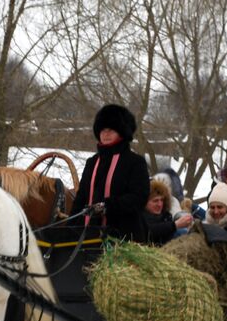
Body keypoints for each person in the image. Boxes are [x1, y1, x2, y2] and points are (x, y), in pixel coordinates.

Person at [71, 104, 151, 242]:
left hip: (123, 240)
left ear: (122, 132)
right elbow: (81, 198)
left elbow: (139, 197)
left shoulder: (135, 162)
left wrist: (107, 206)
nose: (106, 134)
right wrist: (70, 228)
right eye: (102, 130)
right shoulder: (92, 162)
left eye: (111, 130)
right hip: (88, 238)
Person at [144, 180, 194, 246]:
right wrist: (175, 225)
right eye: (155, 201)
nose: (159, 204)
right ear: (144, 202)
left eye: (161, 200)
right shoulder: (139, 218)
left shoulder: (166, 216)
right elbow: (148, 231)